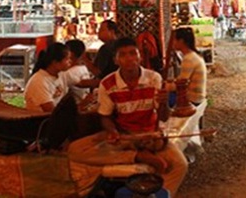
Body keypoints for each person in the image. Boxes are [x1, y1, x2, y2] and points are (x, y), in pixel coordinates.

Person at [67, 37, 188, 196]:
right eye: (123, 55)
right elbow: (105, 117)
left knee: (181, 165)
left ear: (140, 57)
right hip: (124, 136)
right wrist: (112, 132)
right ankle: (136, 157)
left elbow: (164, 117)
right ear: (116, 60)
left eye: (133, 53)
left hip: (150, 136)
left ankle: (159, 193)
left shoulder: (154, 78)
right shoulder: (107, 84)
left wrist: (164, 104)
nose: (129, 58)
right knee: (74, 150)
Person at [24, 43, 72, 113]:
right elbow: (52, 112)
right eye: (67, 59)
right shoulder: (39, 81)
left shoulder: (61, 75)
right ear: (55, 63)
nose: (70, 61)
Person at [167, 27, 207, 105]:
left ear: (181, 41)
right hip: (198, 96)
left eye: (174, 40)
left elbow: (181, 85)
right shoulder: (193, 55)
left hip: (193, 98)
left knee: (159, 99)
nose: (172, 43)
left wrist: (163, 86)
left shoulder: (189, 59)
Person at [61, 39, 99, 104]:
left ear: (70, 53)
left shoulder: (69, 72)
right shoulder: (83, 68)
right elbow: (83, 84)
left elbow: (84, 84)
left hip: (81, 106)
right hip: (80, 106)